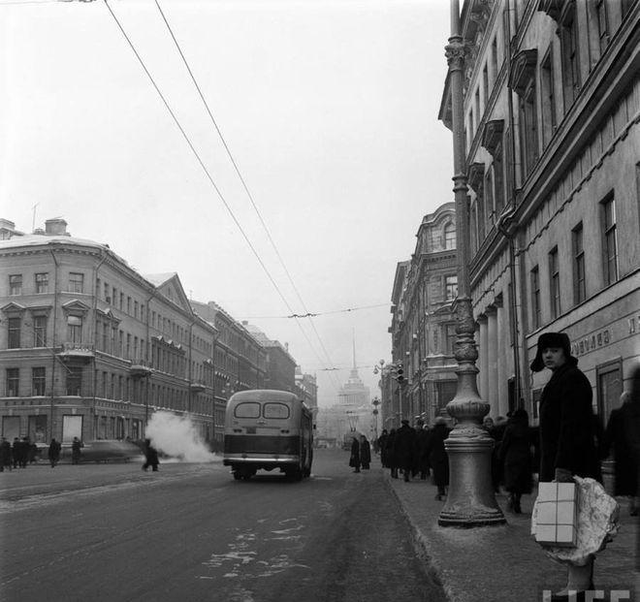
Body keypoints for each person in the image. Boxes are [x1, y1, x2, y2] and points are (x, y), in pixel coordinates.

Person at [533, 332, 602, 601]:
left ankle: (579, 586)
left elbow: (571, 427)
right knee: (572, 523)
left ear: (565, 351)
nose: (548, 355)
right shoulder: (561, 378)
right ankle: (581, 584)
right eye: (544, 351)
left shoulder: (571, 379)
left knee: (577, 524)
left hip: (573, 466)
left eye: (553, 350)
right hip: (567, 463)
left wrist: (562, 468)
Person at [601, 388, 639, 516]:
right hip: (636, 453)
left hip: (622, 454)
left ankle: (619, 505)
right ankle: (634, 504)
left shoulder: (616, 414)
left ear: (621, 400)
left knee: (623, 481)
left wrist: (604, 451)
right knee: (635, 479)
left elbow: (609, 435)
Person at [499, 408, 533, 514]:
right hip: (525, 457)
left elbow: (505, 443)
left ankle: (511, 496)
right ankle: (517, 500)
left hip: (512, 456)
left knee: (511, 479)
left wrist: (500, 454)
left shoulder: (510, 428)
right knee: (520, 481)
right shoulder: (527, 429)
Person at [426, 416, 450, 500]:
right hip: (447, 456)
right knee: (448, 474)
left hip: (436, 457)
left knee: (439, 476)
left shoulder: (433, 433)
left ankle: (440, 491)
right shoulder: (449, 432)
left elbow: (428, 445)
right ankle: (449, 491)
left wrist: (425, 456)